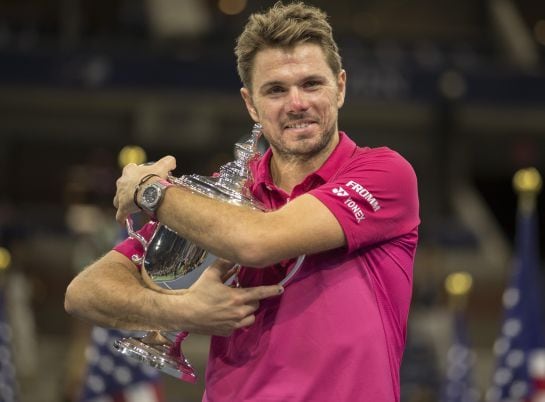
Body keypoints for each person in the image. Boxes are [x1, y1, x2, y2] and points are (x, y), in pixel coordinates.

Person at [65, 2, 420, 401]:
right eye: (275, 90)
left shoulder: (384, 174)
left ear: (340, 86)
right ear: (251, 104)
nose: (297, 102)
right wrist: (182, 310)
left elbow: (255, 242)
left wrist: (152, 190)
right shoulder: (222, 198)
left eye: (311, 84)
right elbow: (84, 292)